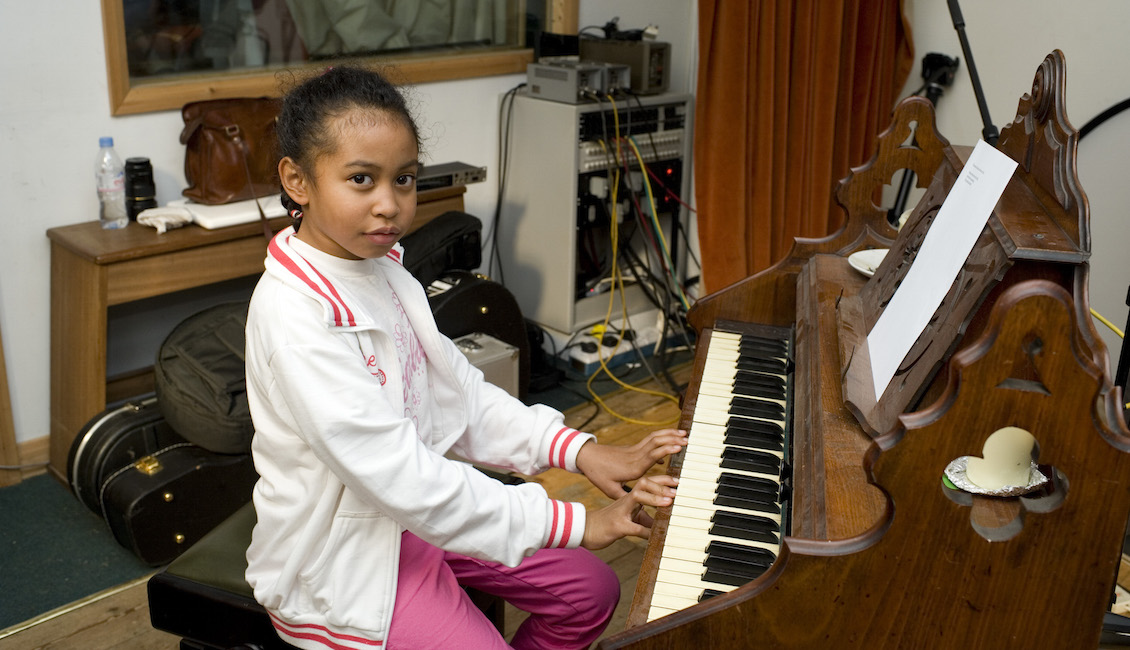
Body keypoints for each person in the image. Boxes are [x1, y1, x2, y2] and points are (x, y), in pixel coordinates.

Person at [243, 65, 688, 650]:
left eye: (403, 179)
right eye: (360, 179)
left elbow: (459, 396)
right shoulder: (295, 318)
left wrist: (580, 451)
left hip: (416, 518)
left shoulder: (382, 270)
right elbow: (400, 477)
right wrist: (578, 521)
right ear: (297, 181)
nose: (389, 205)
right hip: (346, 561)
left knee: (591, 594)